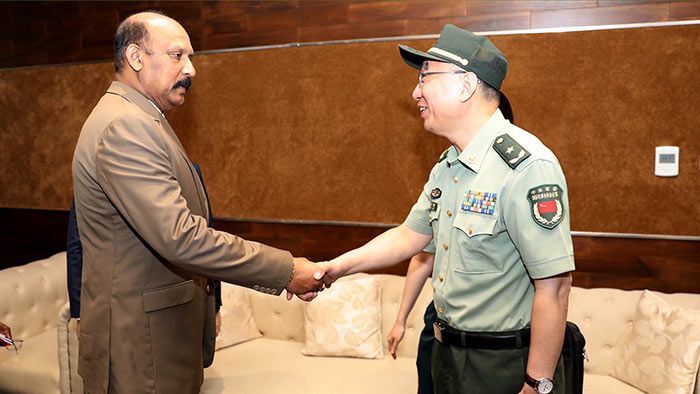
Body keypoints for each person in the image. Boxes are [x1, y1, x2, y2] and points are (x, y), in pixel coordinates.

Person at [71, 11, 324, 394]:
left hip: (159, 344)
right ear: (136, 58)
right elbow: (182, 238)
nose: (192, 69)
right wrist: (285, 269)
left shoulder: (144, 118)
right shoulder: (126, 126)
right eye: (177, 56)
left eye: (190, 57)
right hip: (141, 350)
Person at [321, 24, 574, 394]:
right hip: (446, 355)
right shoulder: (448, 165)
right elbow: (410, 236)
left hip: (500, 365)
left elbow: (555, 286)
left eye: (425, 78)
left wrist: (536, 384)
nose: (415, 92)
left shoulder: (527, 166)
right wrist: (337, 267)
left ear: (466, 85)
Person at [387, 91, 515, 394]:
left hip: (493, 334)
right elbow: (420, 252)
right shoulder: (446, 173)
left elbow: (552, 282)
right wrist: (400, 319)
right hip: (440, 321)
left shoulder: (517, 175)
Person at [67, 164, 223, 340]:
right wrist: (80, 314)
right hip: (118, 308)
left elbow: (207, 236)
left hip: (185, 304)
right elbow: (76, 245)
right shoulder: (95, 175)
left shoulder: (189, 171)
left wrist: (215, 305)